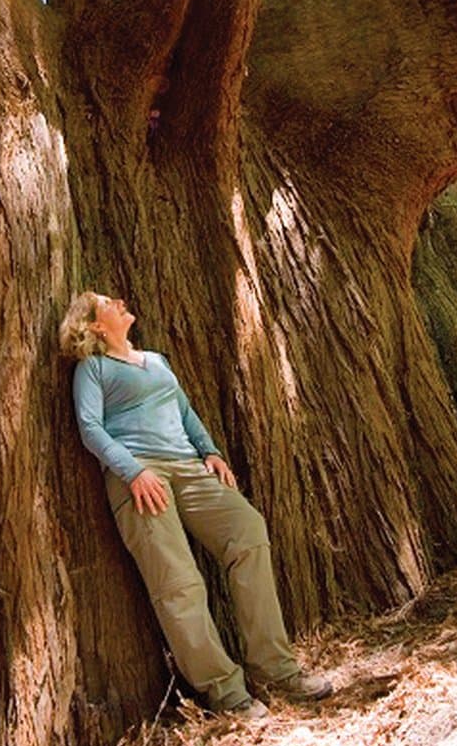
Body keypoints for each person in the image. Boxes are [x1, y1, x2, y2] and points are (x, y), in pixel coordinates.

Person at [60, 291, 333, 719]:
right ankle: (227, 692)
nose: (118, 301)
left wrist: (211, 451)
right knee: (178, 582)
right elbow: (90, 427)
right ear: (95, 326)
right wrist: (132, 471)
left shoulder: (157, 361)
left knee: (248, 531)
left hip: (188, 467)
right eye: (106, 303)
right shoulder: (92, 369)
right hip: (140, 477)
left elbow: (185, 412)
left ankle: (275, 669)